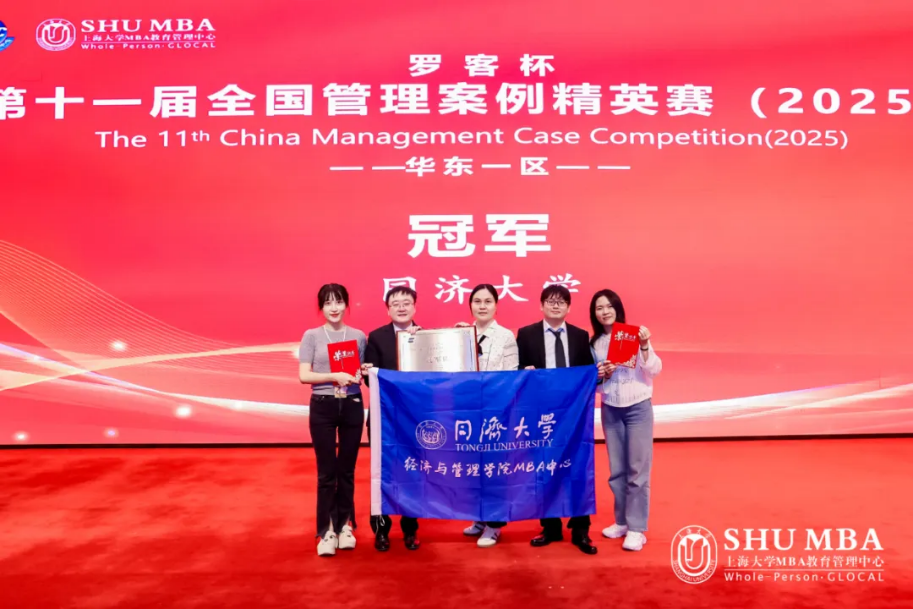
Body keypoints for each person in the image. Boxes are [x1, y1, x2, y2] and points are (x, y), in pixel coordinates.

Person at [515, 284, 598, 555]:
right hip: (540, 413)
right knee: (544, 468)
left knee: (578, 467)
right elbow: (515, 370)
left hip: (573, 415)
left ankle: (581, 528)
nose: (555, 305)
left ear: (569, 307)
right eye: (550, 301)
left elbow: (587, 374)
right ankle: (550, 527)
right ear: (541, 305)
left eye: (561, 302)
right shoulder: (526, 334)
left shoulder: (580, 336)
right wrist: (523, 370)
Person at [589, 289, 662, 552]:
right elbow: (595, 386)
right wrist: (603, 376)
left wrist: (644, 346)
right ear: (594, 313)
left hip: (638, 408)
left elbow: (654, 370)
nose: (605, 311)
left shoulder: (634, 335)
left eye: (609, 306)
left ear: (618, 308)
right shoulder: (594, 344)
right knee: (617, 471)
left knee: (637, 470)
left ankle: (637, 528)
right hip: (611, 409)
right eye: (599, 308)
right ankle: (621, 521)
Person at [298, 283, 367, 557]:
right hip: (323, 406)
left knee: (347, 470)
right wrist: (333, 376)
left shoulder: (358, 336)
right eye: (328, 303)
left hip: (352, 404)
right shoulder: (312, 336)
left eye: (338, 302)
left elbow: (361, 372)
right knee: (326, 473)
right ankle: (326, 530)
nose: (334, 308)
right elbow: (304, 375)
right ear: (321, 307)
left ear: (346, 305)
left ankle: (345, 525)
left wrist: (362, 372)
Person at [457, 284, 519, 548]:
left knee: (494, 469)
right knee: (473, 467)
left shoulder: (506, 336)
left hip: (496, 411)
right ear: (470, 305)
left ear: (496, 305)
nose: (482, 306)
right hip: (468, 410)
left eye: (488, 301)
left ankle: (494, 524)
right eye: (477, 301)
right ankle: (479, 517)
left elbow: (511, 375)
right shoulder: (461, 334)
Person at [363, 286, 422, 551]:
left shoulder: (426, 336)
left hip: (414, 418)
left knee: (413, 471)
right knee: (381, 472)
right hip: (383, 417)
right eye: (395, 303)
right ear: (388, 309)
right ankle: (381, 530)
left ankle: (410, 528)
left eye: (406, 302)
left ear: (414, 307)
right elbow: (369, 379)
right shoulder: (376, 337)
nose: (401, 307)